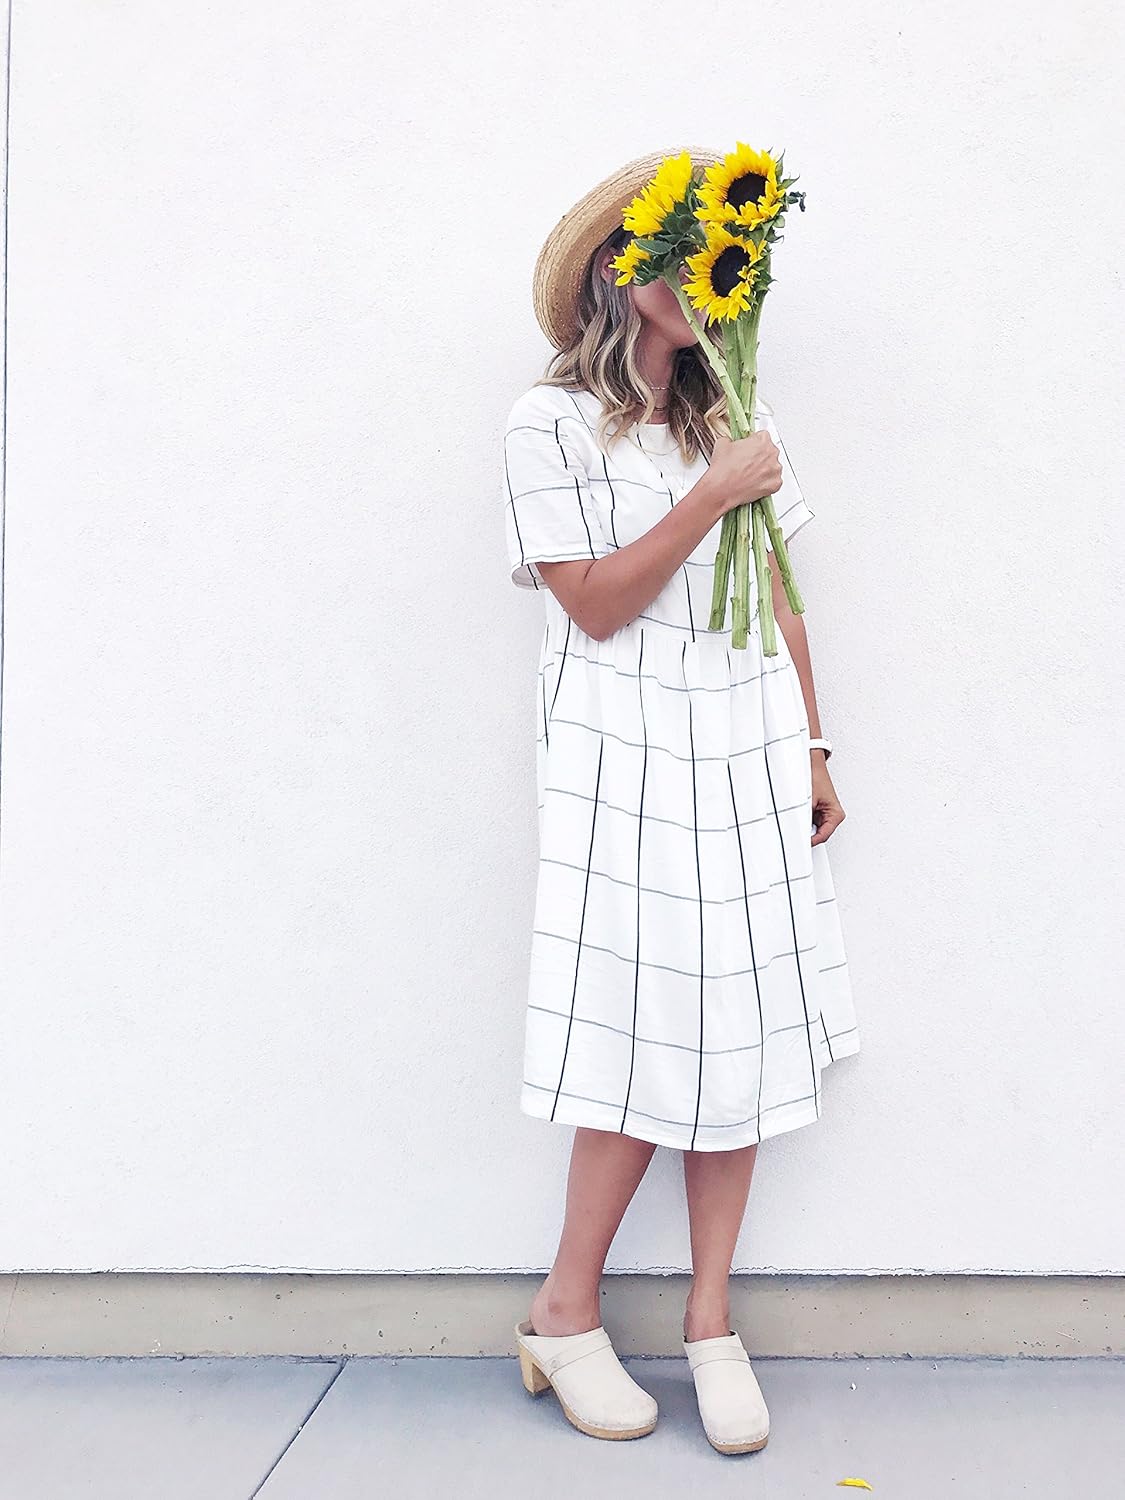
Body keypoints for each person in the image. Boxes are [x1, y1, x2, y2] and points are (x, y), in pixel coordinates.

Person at [503, 147, 861, 1455]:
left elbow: (776, 594)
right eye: (678, 248)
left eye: (723, 256)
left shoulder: (734, 419)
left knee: (743, 1028)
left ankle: (712, 1322)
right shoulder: (548, 424)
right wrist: (712, 494)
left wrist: (811, 744)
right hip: (627, 762)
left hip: (744, 748)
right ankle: (563, 1312)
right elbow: (593, 606)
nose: (704, 274)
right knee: (637, 1029)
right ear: (619, 266)